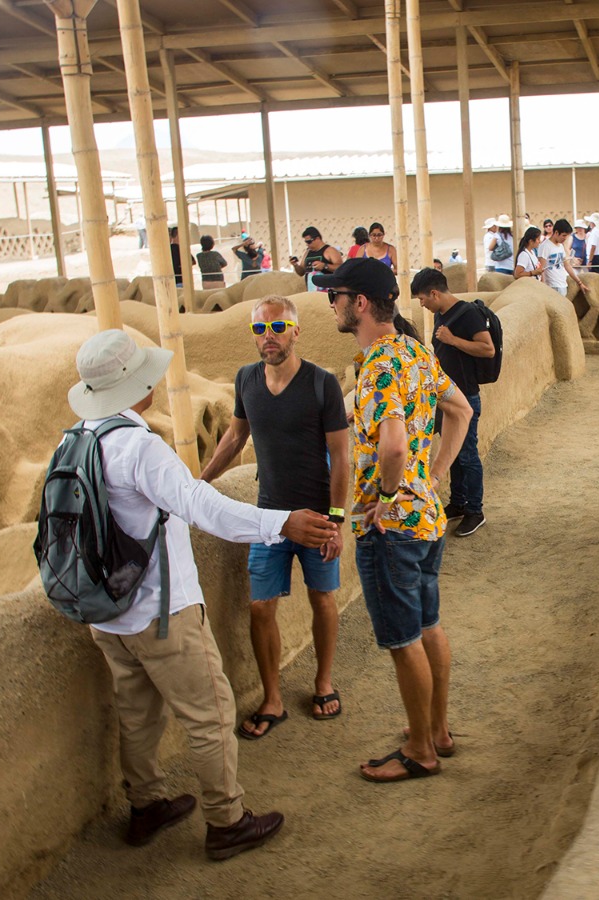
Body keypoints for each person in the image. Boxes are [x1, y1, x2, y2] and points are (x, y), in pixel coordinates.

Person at [63, 329, 338, 859]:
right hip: (160, 612)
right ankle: (227, 821)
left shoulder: (75, 440)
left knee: (137, 714)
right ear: (136, 385)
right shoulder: (138, 447)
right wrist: (283, 523)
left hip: (105, 613)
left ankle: (146, 807)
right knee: (210, 716)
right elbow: (201, 507)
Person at [314, 258, 473, 782]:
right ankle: (438, 732)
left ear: (360, 303)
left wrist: (386, 494)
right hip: (425, 518)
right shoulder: (414, 352)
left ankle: (421, 752)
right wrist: (429, 479)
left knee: (404, 640)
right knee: (429, 626)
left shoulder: (380, 364)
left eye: (335, 295)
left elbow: (394, 444)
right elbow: (461, 412)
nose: (331, 303)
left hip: (391, 528)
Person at [200, 296, 351, 737]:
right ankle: (273, 697)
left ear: (296, 331)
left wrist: (337, 520)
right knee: (261, 607)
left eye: (278, 328)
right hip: (268, 517)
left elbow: (341, 457)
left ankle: (323, 681)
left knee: (322, 599)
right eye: (260, 330)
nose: (269, 337)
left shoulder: (321, 384)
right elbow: (234, 437)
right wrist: (200, 482)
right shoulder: (246, 379)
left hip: (318, 516)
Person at [411, 266, 490, 537]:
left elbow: (487, 348)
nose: (422, 304)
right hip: (444, 396)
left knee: (467, 455)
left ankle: (475, 511)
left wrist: (453, 340)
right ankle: (458, 503)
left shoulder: (467, 314)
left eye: (423, 298)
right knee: (452, 451)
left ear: (434, 293)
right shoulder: (441, 315)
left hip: (464, 396)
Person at [537, 218, 591, 300]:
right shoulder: (545, 246)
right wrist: (544, 286)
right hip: (552, 286)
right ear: (556, 232)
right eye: (564, 235)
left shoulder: (560, 246)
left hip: (562, 284)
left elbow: (567, 265)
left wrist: (579, 283)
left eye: (567, 236)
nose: (565, 238)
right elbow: (541, 268)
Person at [292, 227, 343, 292]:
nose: (307, 244)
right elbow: (301, 272)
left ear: (317, 239)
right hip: (310, 291)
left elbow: (341, 268)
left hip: (326, 291)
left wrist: (325, 266)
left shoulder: (330, 250)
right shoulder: (307, 252)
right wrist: (295, 265)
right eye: (306, 242)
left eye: (309, 241)